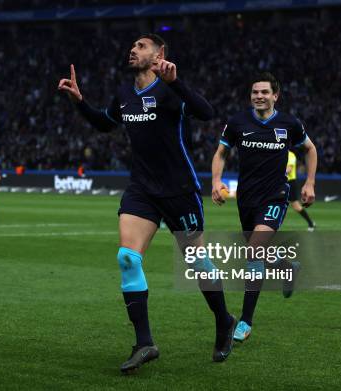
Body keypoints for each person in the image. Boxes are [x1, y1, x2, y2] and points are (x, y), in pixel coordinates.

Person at [58, 33, 236, 373]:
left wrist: (177, 82)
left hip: (179, 190)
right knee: (127, 258)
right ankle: (144, 342)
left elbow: (207, 112)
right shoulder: (124, 94)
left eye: (141, 46)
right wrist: (80, 102)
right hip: (142, 189)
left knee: (197, 263)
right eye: (132, 46)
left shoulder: (170, 89)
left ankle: (224, 320)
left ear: (159, 53)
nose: (133, 50)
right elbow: (103, 123)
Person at [211, 72, 317, 343]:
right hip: (246, 198)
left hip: (275, 196)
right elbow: (221, 152)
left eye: (264, 92)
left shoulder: (289, 123)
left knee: (254, 250)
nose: (259, 96)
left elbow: (310, 149)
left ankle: (245, 321)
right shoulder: (237, 122)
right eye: (255, 92)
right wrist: (216, 180)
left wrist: (310, 184)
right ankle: (287, 267)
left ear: (275, 95)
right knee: (258, 253)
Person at [286, 150, 316, 231]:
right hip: (280, 182)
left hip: (289, 183)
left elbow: (289, 169)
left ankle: (311, 223)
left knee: (295, 205)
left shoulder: (291, 155)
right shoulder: (279, 154)